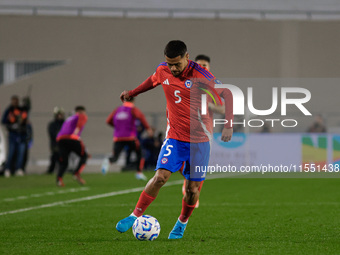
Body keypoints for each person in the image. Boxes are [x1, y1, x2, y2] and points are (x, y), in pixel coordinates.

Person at [116, 40, 233, 239]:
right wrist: (132, 93)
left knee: (192, 189)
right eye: (169, 64)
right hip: (175, 138)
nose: (173, 68)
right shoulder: (163, 70)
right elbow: (152, 81)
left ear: (187, 57)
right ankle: (135, 215)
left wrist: (229, 124)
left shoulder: (202, 76)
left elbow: (228, 94)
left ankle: (182, 223)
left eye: (177, 64)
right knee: (160, 177)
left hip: (200, 142)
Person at [106, 98, 153, 180]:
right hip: (130, 137)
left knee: (115, 156)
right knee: (140, 154)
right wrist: (148, 129)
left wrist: (118, 127)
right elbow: (141, 117)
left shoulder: (117, 109)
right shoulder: (133, 109)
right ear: (133, 101)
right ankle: (139, 173)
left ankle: (108, 161)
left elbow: (108, 120)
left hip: (118, 137)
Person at [56, 106, 88, 187]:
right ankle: (76, 173)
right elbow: (79, 125)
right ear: (81, 111)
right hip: (72, 138)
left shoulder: (69, 118)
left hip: (61, 140)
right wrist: (75, 134)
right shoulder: (81, 115)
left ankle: (59, 180)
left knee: (64, 162)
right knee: (84, 156)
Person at [1, 95, 28, 177]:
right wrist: (11, 126)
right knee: (11, 153)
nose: (15, 102)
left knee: (21, 153)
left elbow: (25, 119)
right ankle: (8, 169)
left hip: (21, 134)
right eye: (13, 101)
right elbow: (3, 121)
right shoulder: (9, 110)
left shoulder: (22, 110)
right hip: (12, 135)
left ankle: (19, 169)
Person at [46, 107, 65, 174]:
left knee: (62, 158)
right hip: (55, 144)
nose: (60, 116)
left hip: (64, 144)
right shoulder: (52, 124)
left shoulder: (65, 124)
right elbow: (53, 135)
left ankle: (61, 170)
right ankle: (51, 170)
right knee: (55, 157)